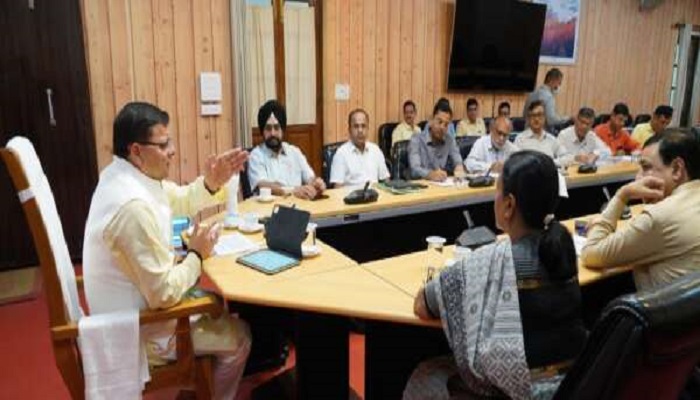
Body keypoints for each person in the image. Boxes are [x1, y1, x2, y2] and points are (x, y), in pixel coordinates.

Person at [83, 102, 251, 399]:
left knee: (215, 304)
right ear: (136, 151)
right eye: (163, 145)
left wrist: (212, 183)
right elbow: (162, 294)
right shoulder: (132, 207)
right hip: (141, 333)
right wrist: (196, 255)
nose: (172, 151)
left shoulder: (123, 176)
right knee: (241, 338)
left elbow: (180, 199)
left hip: (135, 312)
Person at [406, 151, 586, 399]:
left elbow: (423, 305)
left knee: (426, 375)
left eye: (497, 191)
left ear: (509, 205)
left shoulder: (491, 259)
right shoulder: (563, 248)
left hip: (519, 392)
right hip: (573, 384)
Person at [581, 128, 700, 291]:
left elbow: (590, 254)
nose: (638, 177)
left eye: (646, 167)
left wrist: (622, 195)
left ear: (677, 169)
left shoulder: (659, 216)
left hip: (655, 306)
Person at [248, 99, 326, 200]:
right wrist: (294, 191)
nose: (272, 133)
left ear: (283, 129)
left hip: (298, 206)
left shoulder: (294, 152)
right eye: (268, 128)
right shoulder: (256, 155)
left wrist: (316, 183)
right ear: (262, 131)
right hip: (270, 208)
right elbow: (263, 185)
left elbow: (310, 177)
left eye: (276, 127)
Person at [330, 108, 390, 187]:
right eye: (356, 126)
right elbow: (337, 187)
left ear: (368, 129)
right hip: (352, 194)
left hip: (374, 194)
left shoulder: (376, 150)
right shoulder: (341, 154)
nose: (360, 130)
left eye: (363, 126)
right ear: (349, 130)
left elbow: (386, 180)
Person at [409, 100, 465, 181]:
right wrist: (430, 174)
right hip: (423, 186)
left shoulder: (449, 140)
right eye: (439, 122)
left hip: (442, 185)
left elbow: (457, 160)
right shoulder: (416, 140)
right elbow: (414, 170)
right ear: (431, 120)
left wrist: (459, 167)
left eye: (446, 124)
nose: (442, 127)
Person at [515, 100, 570, 165]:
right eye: (533, 115)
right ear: (529, 119)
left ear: (544, 117)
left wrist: (551, 163)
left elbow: (567, 157)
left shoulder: (552, 140)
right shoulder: (520, 139)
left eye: (539, 115)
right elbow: (513, 161)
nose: (536, 119)